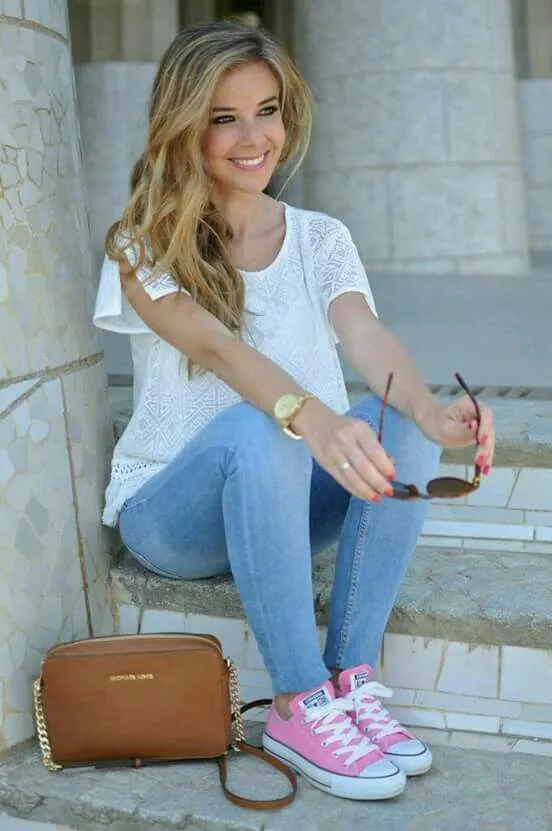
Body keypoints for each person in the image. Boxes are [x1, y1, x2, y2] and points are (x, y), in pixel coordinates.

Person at [93, 20, 495, 802]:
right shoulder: (143, 243)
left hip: (286, 496)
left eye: (268, 110)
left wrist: (430, 413)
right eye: (225, 117)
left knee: (394, 422)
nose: (255, 137)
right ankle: (294, 700)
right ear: (185, 126)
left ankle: (350, 681)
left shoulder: (319, 237)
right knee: (259, 422)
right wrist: (310, 415)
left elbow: (365, 334)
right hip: (172, 513)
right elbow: (213, 347)